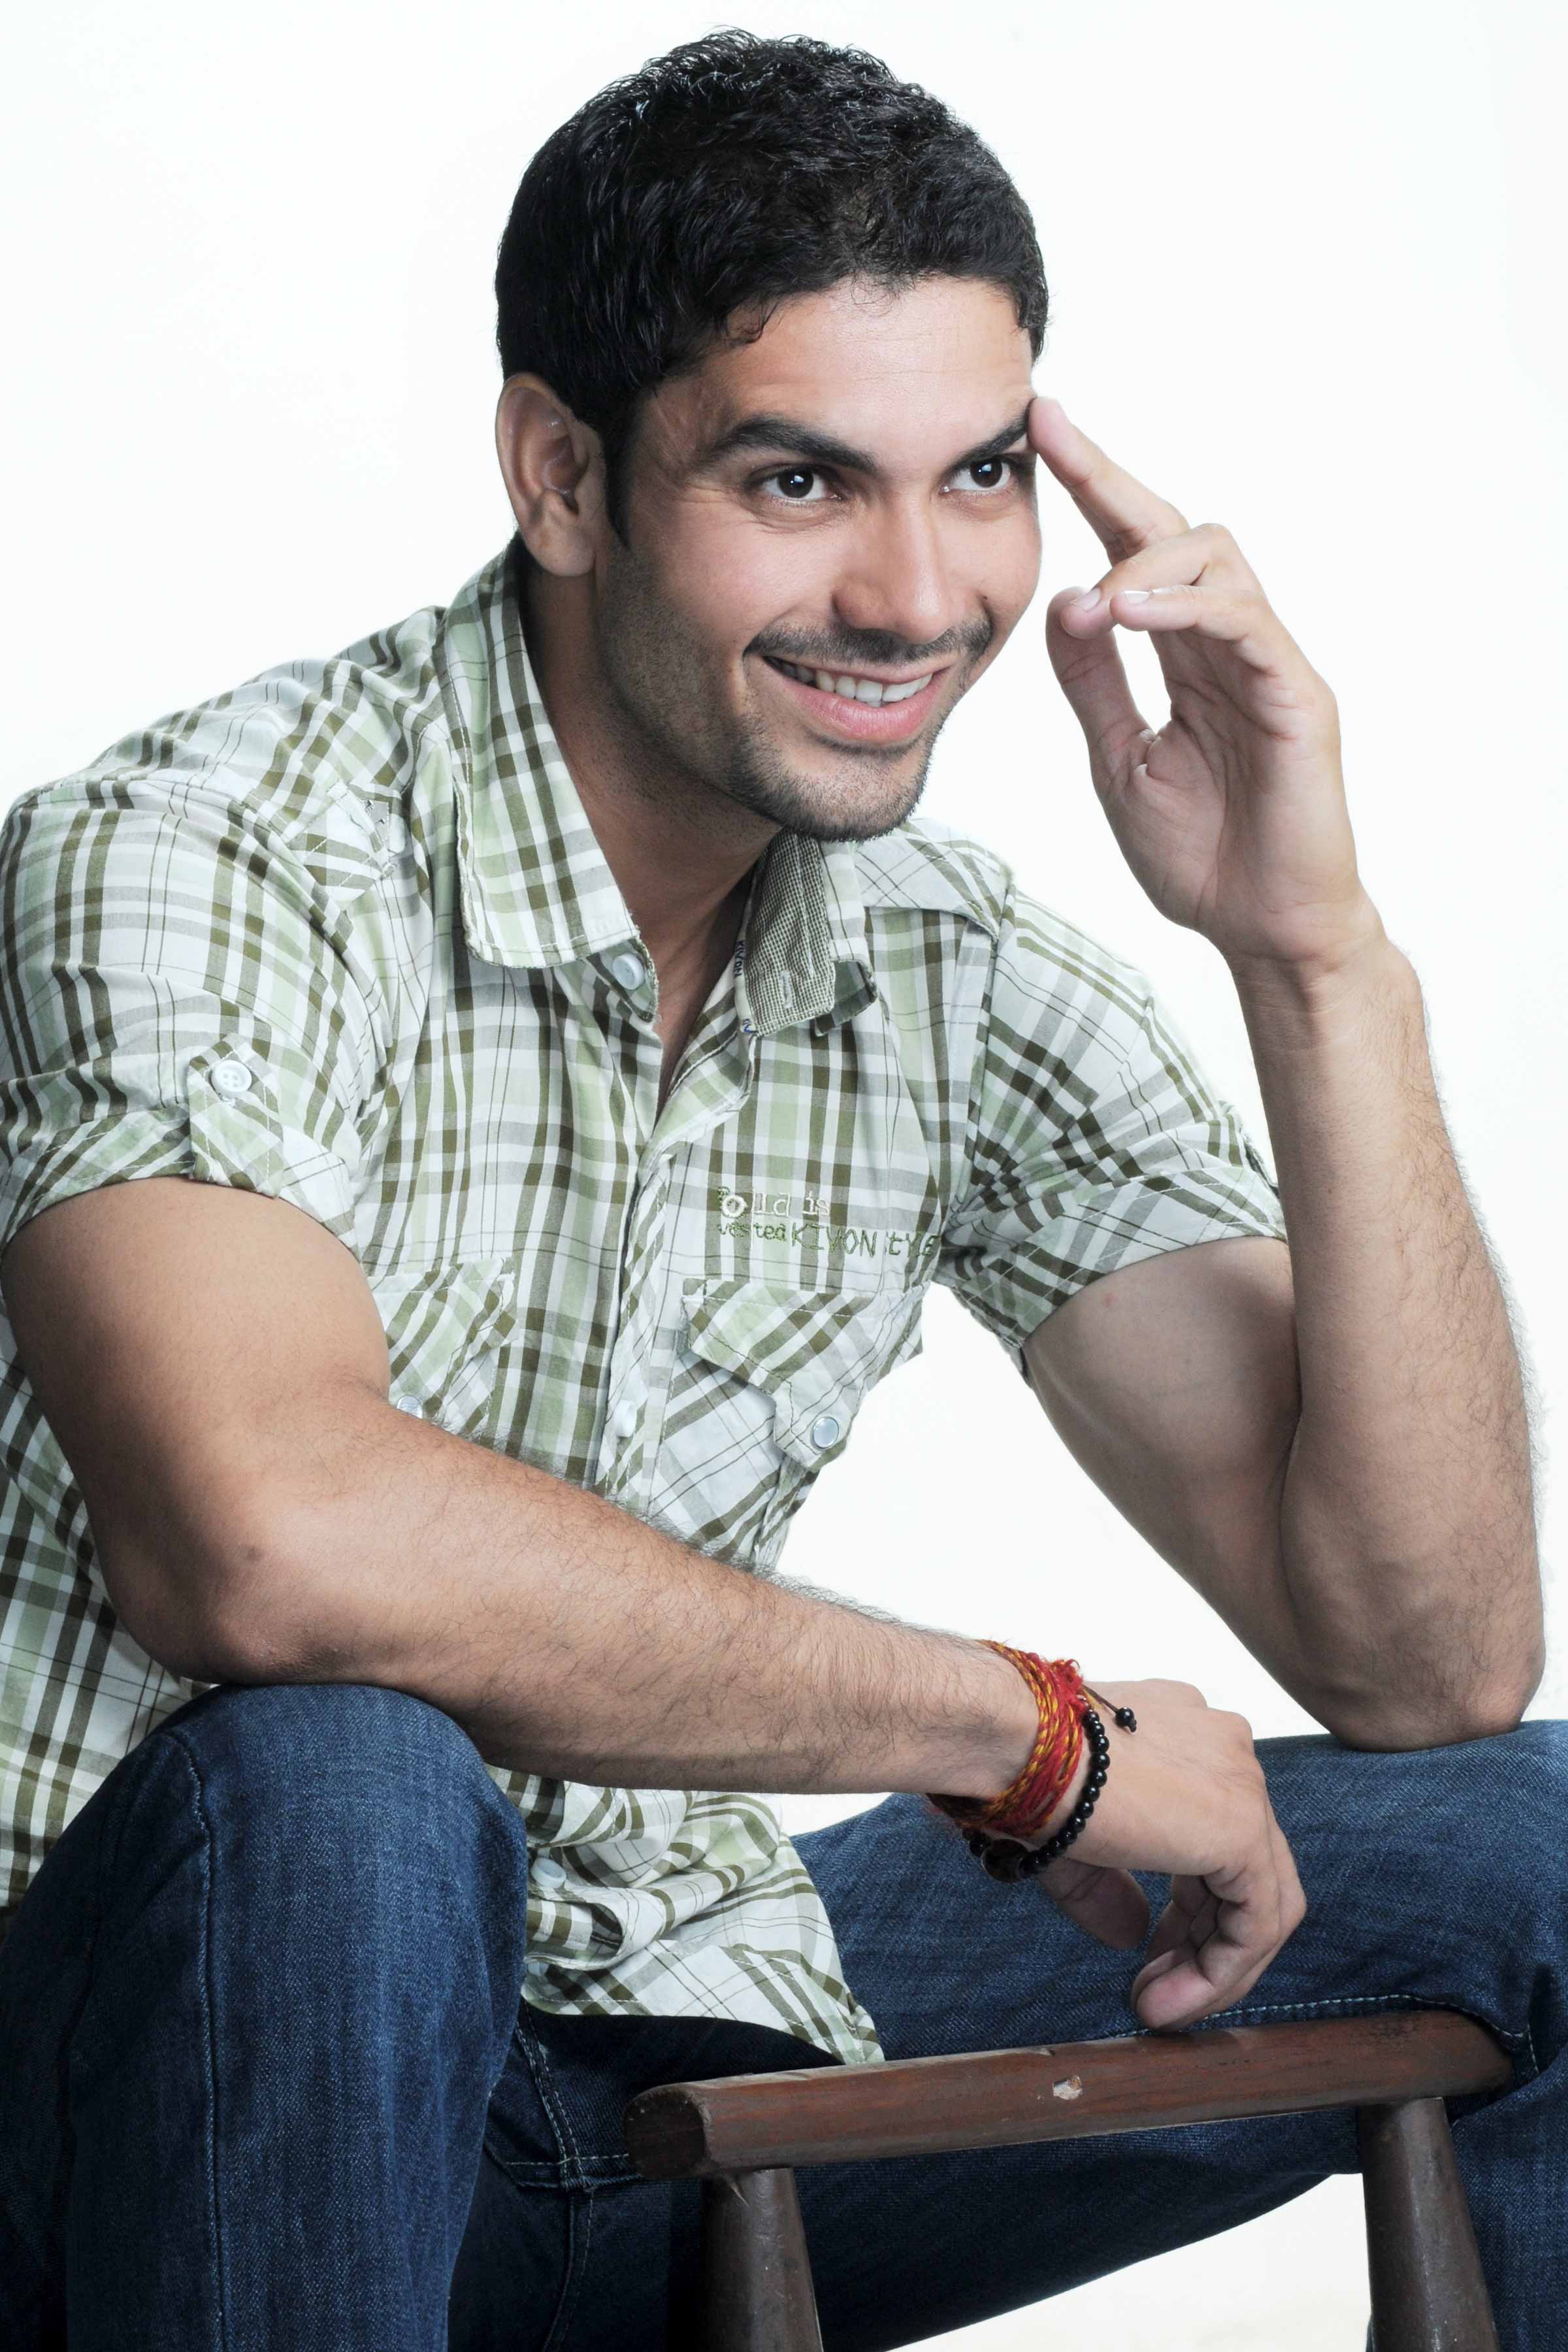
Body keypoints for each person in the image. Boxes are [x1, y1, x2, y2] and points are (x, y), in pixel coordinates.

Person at [0, 27, 1558, 2351]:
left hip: (658, 2034)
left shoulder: (948, 964)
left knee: (1536, 1852)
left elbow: (1426, 1658)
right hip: (159, 2101)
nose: (919, 595)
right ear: (562, 474)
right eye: (803, 479)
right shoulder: (206, 857)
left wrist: (1317, 958)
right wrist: (1030, 1739)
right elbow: (266, 1540)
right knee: (345, 1791)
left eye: (983, 475)